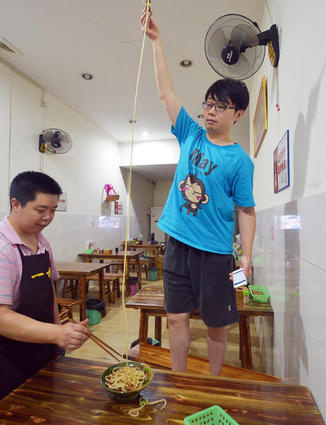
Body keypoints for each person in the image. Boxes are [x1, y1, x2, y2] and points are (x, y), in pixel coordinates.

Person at [141, 9, 256, 376]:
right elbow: (165, 91)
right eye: (208, 103)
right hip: (176, 245)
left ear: (236, 114)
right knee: (176, 319)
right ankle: (179, 383)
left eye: (220, 106)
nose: (210, 111)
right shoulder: (190, 134)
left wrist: (246, 259)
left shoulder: (240, 161)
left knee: (216, 327)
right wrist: (157, 41)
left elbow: (247, 212)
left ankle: (214, 384)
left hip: (215, 254)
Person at [0, 171, 89, 416]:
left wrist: (58, 336)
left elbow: (48, 292)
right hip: (0, 362)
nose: (48, 217)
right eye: (41, 210)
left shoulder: (40, 241)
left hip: (39, 351)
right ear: (16, 204)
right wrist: (57, 333)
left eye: (53, 210)